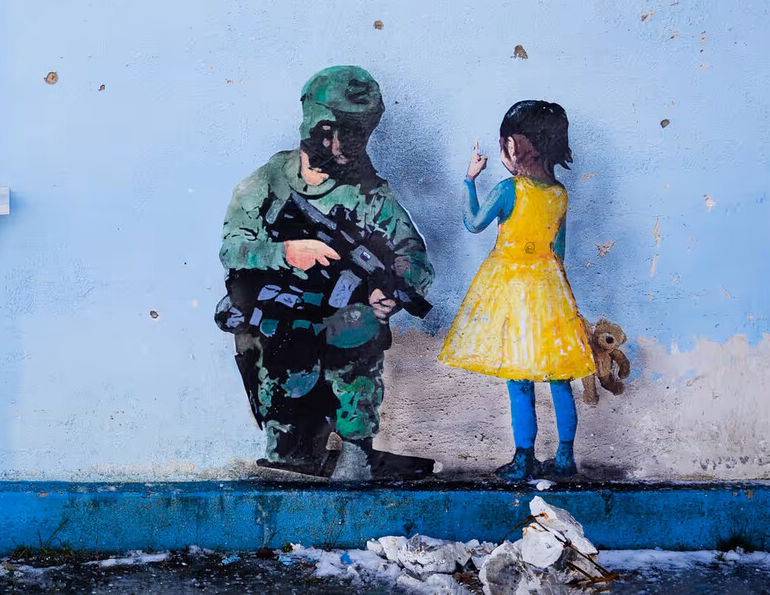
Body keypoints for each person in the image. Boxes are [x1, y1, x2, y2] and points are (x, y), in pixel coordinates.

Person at [215, 66, 436, 480]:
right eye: (333, 133)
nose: (344, 147)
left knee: (358, 326)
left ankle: (356, 449)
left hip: (337, 321)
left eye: (356, 135)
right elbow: (232, 249)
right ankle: (293, 444)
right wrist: (285, 252)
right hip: (280, 322)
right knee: (287, 456)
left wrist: (390, 290)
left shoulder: (370, 193)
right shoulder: (267, 182)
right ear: (313, 126)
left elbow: (413, 256)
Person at [438, 100, 593, 481]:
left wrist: (469, 180)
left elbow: (474, 223)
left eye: (507, 142)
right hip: (550, 290)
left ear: (522, 146)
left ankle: (524, 457)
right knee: (559, 377)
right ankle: (564, 458)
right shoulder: (559, 193)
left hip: (509, 290)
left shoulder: (509, 189)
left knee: (518, 376)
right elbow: (560, 252)